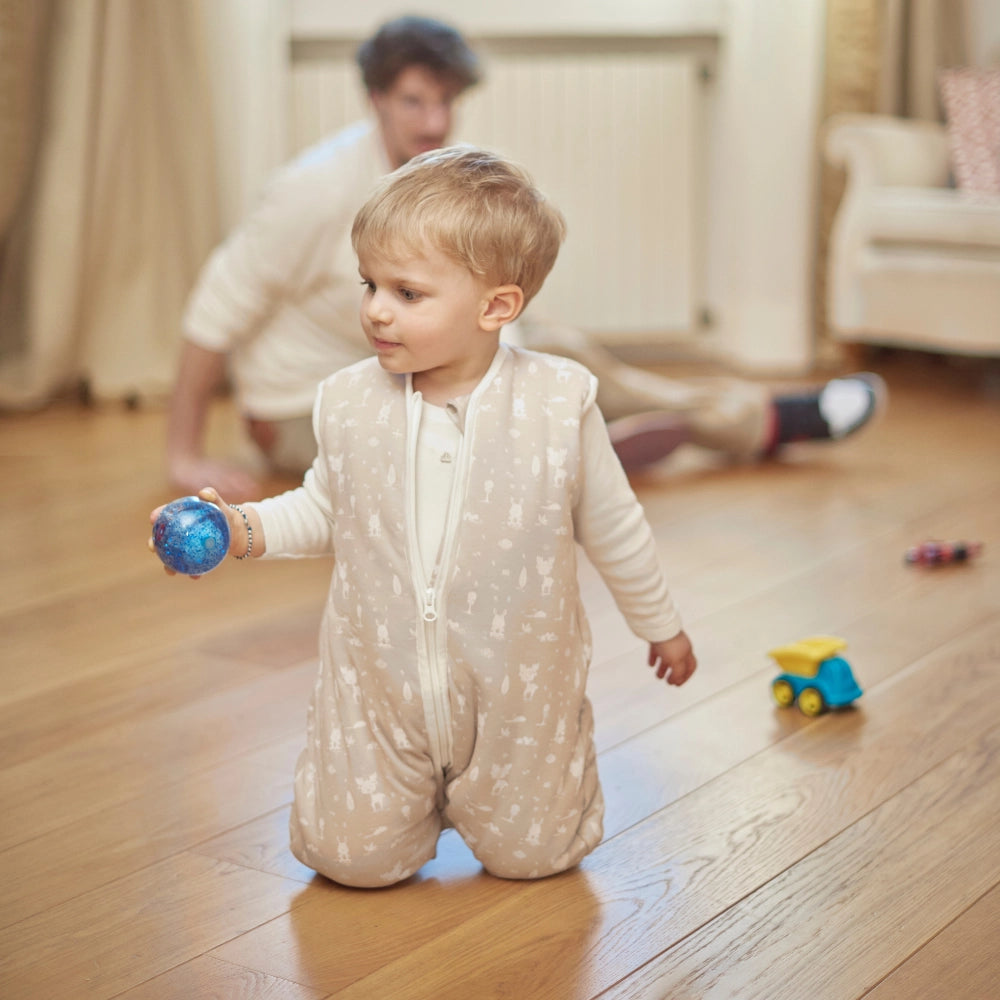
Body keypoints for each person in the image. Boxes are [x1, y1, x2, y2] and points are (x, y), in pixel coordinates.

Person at [152, 145, 697, 887]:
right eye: (370, 283)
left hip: (518, 695)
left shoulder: (556, 405)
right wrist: (243, 531)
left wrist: (658, 622)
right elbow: (324, 509)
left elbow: (614, 525)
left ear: (496, 307)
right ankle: (403, 802)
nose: (376, 308)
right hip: (380, 690)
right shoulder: (347, 401)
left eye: (407, 293)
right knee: (350, 860)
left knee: (536, 857)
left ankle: (495, 800)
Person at [167, 14, 885, 501]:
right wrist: (185, 456)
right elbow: (214, 310)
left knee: (570, 356)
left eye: (447, 102)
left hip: (415, 368)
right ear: (375, 98)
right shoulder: (312, 191)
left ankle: (745, 419)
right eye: (415, 102)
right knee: (503, 417)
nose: (435, 122)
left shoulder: (433, 176)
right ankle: (678, 437)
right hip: (306, 404)